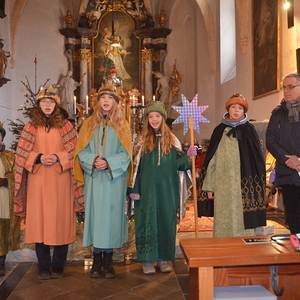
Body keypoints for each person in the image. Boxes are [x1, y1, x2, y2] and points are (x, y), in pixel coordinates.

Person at [14, 85, 84, 280]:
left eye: (51, 102)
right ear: (38, 104)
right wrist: (38, 158)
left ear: (56, 105)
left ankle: (58, 266)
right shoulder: (30, 127)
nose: (47, 105)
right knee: (40, 223)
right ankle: (43, 266)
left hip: (61, 180)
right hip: (37, 181)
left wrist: (57, 156)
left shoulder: (66, 126)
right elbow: (21, 154)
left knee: (60, 222)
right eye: (44, 101)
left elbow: (75, 151)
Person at [127, 101, 194, 275]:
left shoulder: (172, 140)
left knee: (166, 222)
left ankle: (164, 259)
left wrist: (189, 156)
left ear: (163, 118)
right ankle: (147, 259)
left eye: (157, 116)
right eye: (151, 116)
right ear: (147, 119)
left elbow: (180, 166)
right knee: (146, 223)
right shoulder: (141, 141)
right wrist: (133, 190)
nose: (154, 119)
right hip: (146, 190)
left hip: (167, 191)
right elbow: (135, 169)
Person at [74, 86, 132, 279]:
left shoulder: (123, 125)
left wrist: (108, 162)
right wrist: (93, 161)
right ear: (98, 102)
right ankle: (96, 261)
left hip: (113, 178)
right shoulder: (89, 124)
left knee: (112, 217)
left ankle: (108, 262)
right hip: (95, 178)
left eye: (110, 98)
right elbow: (81, 151)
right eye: (103, 98)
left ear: (116, 102)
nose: (106, 101)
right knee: (97, 217)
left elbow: (126, 154)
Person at [198, 93, 266, 237]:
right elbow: (212, 160)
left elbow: (256, 161)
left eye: (240, 108)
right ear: (228, 109)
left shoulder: (249, 131)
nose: (236, 110)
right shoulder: (219, 131)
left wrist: (257, 185)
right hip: (222, 184)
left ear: (244, 111)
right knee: (224, 219)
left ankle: (244, 250)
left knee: (243, 221)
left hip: (243, 184)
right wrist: (209, 185)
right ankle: (223, 249)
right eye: (233, 107)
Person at [266, 73, 300, 234]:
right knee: (293, 214)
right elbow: (271, 140)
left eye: (291, 87)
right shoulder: (278, 113)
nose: (286, 91)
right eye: (284, 87)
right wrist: (287, 159)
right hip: (288, 172)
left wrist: (298, 159)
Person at [0, 123, 20, 277]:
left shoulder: (10, 156)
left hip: (4, 199)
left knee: (3, 229)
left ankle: (1, 261)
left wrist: (6, 180)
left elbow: (17, 174)